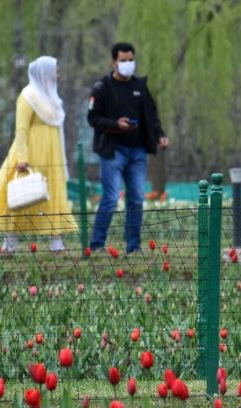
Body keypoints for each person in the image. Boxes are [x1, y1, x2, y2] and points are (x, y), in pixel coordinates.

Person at [0, 56, 76, 252]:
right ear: (44, 73)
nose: (58, 75)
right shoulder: (28, 96)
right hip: (32, 153)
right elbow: (21, 129)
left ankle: (56, 241)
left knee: (52, 194)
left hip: (52, 156)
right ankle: (10, 240)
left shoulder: (53, 99)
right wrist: (23, 157)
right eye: (55, 71)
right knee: (22, 195)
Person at [87, 42, 169, 253]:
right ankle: (97, 245)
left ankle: (133, 246)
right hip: (113, 151)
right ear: (114, 62)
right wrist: (116, 125)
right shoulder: (102, 87)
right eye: (123, 61)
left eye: (130, 60)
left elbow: (151, 116)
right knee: (111, 197)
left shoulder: (140, 87)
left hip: (138, 152)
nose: (128, 64)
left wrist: (159, 135)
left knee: (136, 198)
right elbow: (93, 118)